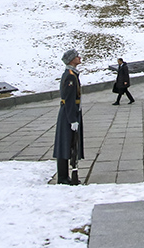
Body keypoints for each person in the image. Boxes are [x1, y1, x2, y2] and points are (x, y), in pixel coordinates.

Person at [54, 49, 84, 185]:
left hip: (70, 111)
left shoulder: (72, 74)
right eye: (76, 56)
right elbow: (69, 99)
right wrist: (72, 119)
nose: (79, 58)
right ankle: (63, 177)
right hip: (69, 113)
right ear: (71, 60)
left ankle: (65, 176)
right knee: (65, 144)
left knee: (68, 144)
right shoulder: (71, 76)